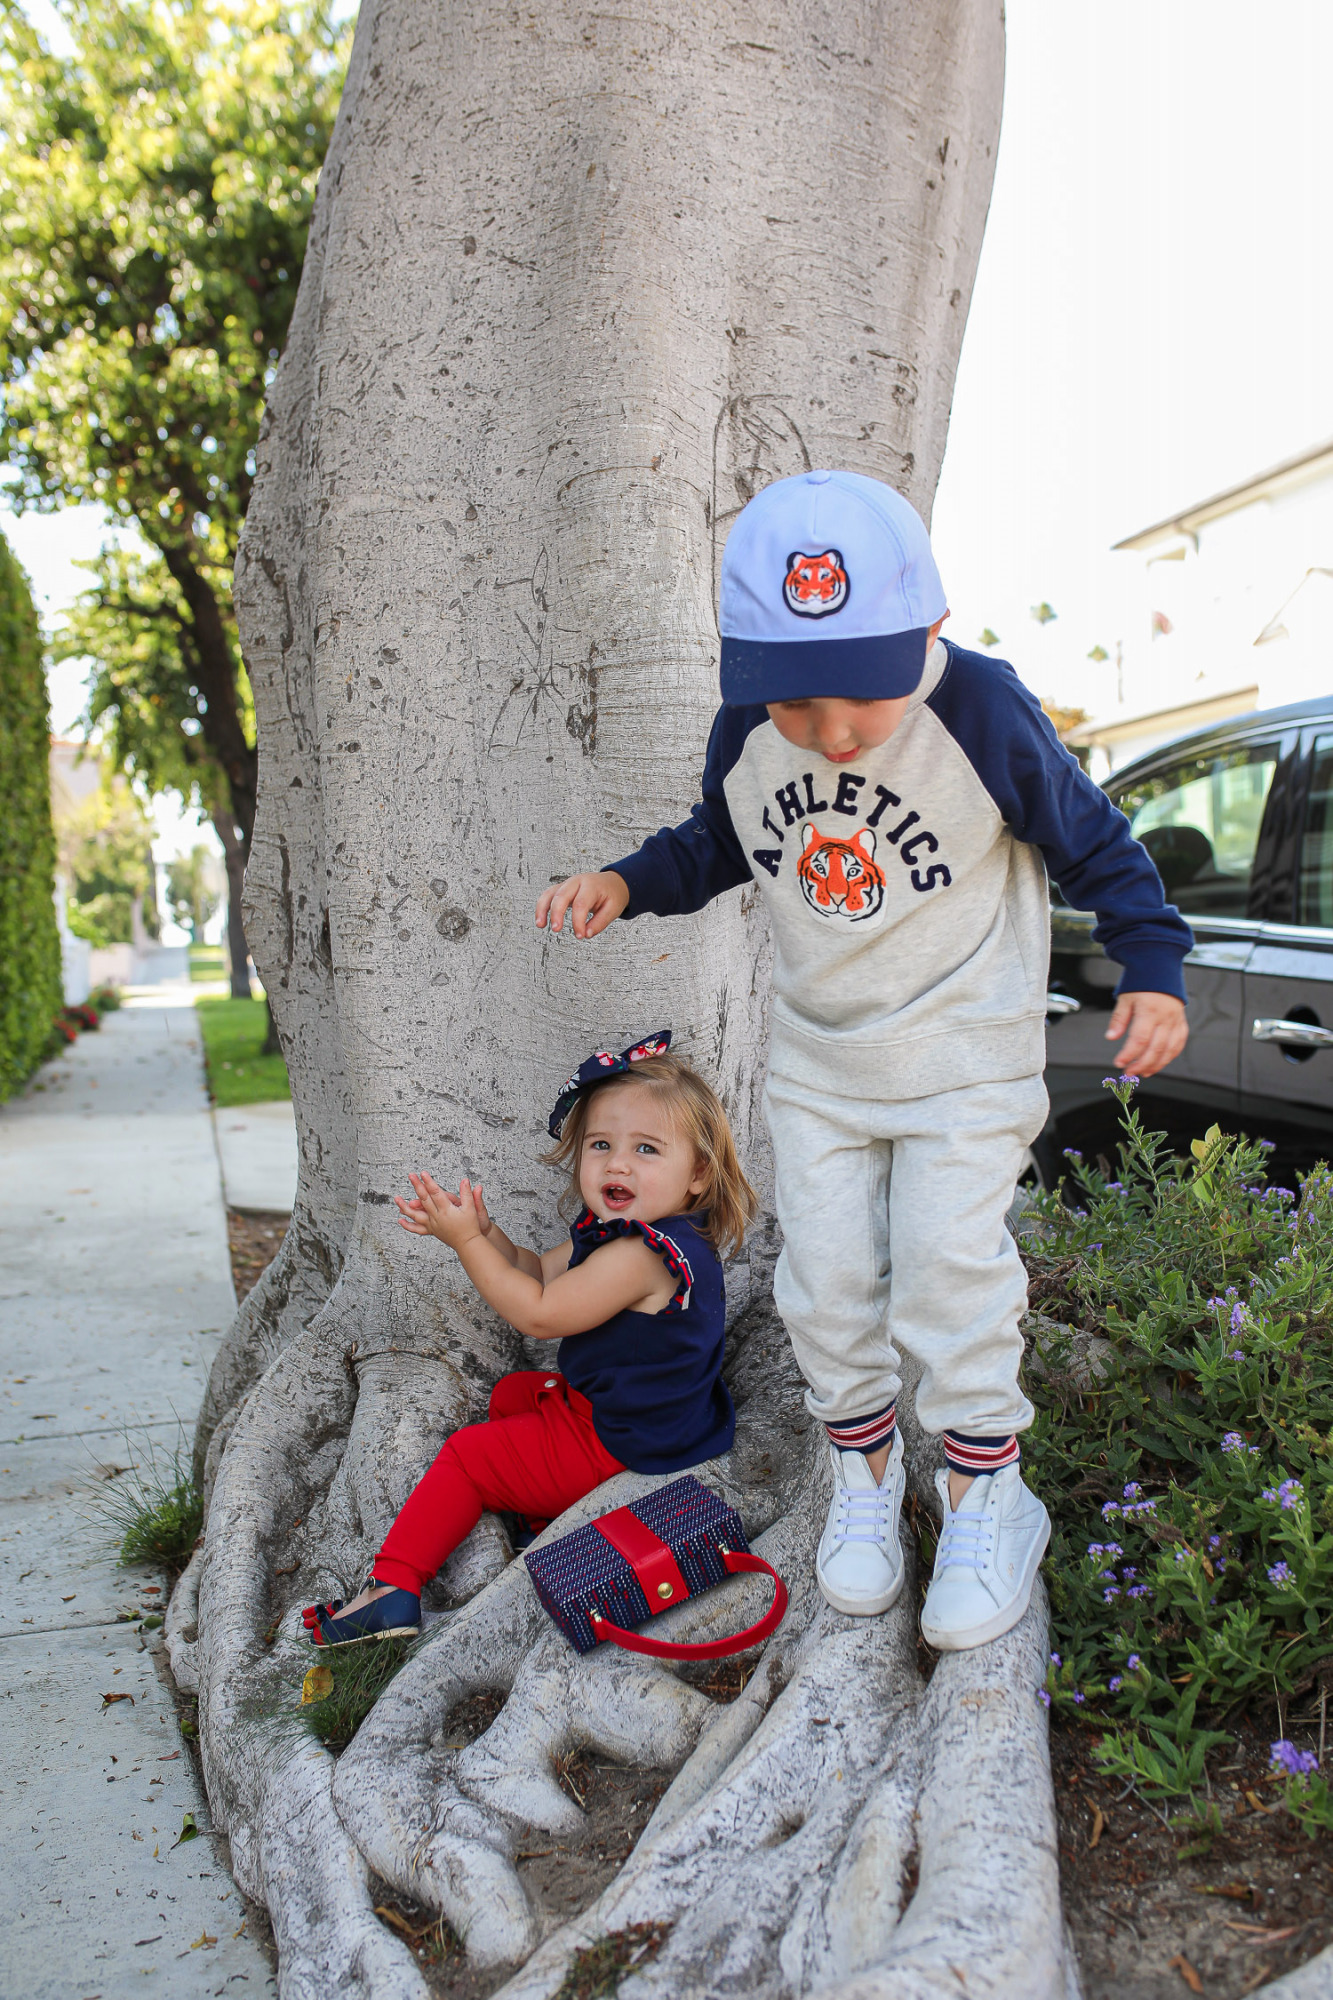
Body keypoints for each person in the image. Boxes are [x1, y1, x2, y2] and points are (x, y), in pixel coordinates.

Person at [536, 468, 1192, 1652]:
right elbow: (712, 845)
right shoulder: (747, 728)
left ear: (929, 630)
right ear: (747, 670)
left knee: (947, 1270)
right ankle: (866, 1477)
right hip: (825, 1065)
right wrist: (625, 882)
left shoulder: (980, 710)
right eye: (798, 705)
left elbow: (1092, 840)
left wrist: (1150, 961)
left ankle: (992, 1494)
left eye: (861, 700)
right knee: (825, 1283)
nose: (831, 733)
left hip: (962, 1056)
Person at [304, 1035, 756, 1646]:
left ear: (699, 1174)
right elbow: (538, 1271)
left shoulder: (640, 1256)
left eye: (646, 1149)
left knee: (468, 1456)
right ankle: (539, 1518)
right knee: (516, 1394)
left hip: (622, 1441)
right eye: (602, 1146)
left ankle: (394, 1589)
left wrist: (465, 1246)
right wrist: (485, 1233)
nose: (618, 1164)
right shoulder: (624, 1230)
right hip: (649, 1415)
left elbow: (538, 1314)